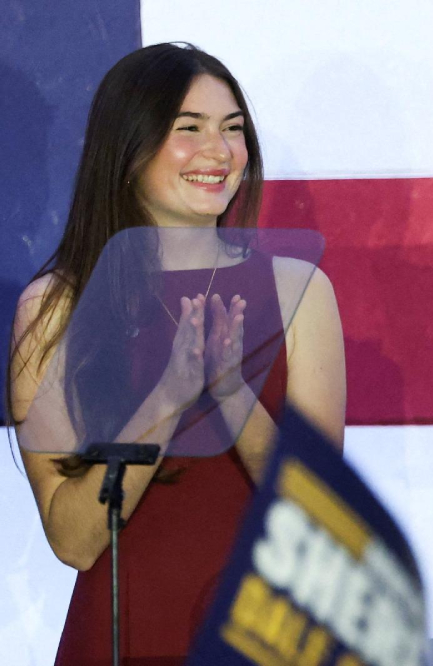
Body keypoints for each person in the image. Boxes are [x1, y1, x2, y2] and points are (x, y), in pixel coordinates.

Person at [7, 43, 346, 662]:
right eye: (188, 129)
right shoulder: (54, 309)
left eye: (233, 130)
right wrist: (168, 396)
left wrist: (230, 390)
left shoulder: (299, 291)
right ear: (128, 145)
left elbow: (321, 514)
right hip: (125, 635)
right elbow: (75, 540)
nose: (219, 153)